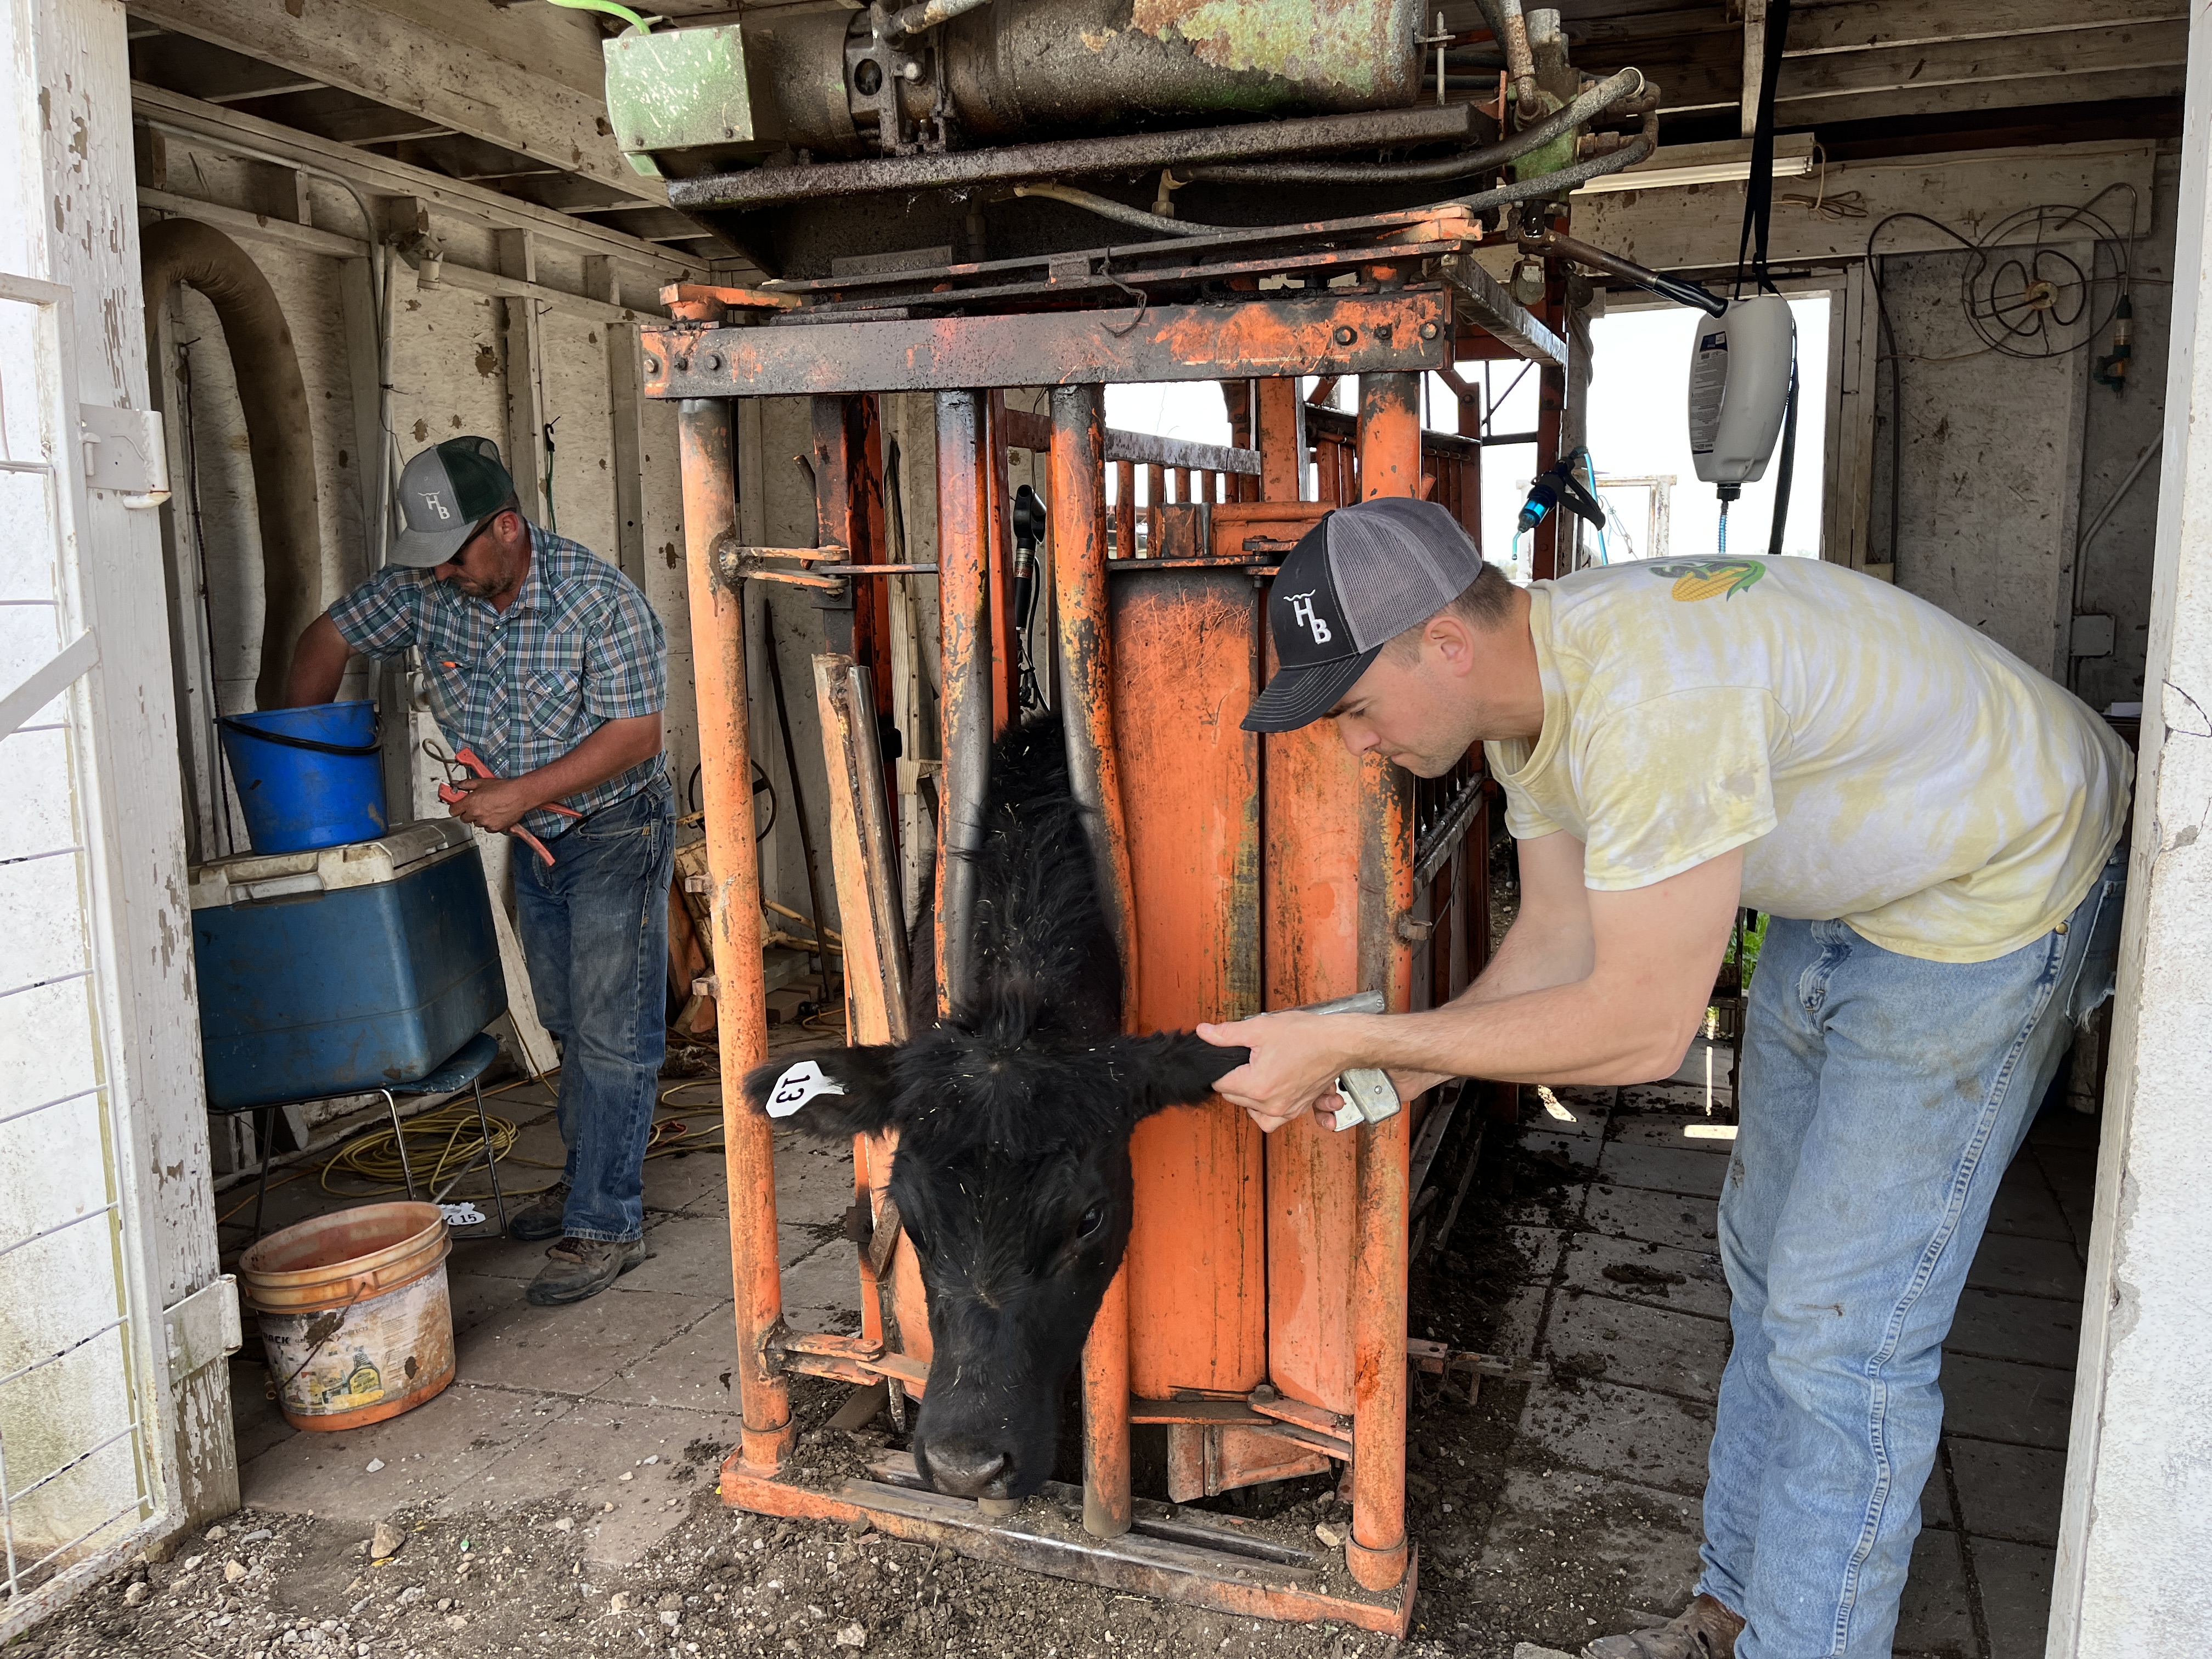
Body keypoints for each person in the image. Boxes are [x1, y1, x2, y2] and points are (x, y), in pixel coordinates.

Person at [1200, 498, 2130, 1659]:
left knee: (1842, 1329)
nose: (1355, 745)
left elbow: (1641, 1033)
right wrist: (1387, 1076)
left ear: (1444, 643)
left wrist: (1354, 1046)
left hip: (1997, 881)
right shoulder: (1534, 695)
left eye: (1353, 709)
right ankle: (1731, 1616)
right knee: (1765, 1266)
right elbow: (1558, 944)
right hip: (1860, 879)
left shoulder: (1650, 699)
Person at [286, 436, 675, 1308]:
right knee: (567, 1018)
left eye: (454, 556)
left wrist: (520, 793)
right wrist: (297, 761)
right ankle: (584, 1184)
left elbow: (636, 736)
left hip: (617, 829)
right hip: (536, 838)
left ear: (506, 527)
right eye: (430, 559)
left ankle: (608, 1223)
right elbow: (326, 638)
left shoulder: (599, 601)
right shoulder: (429, 588)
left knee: (613, 1033)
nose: (441, 575)